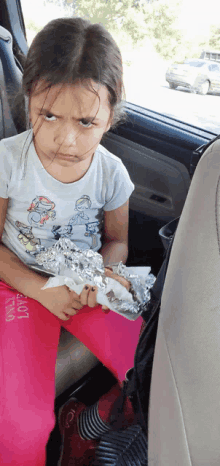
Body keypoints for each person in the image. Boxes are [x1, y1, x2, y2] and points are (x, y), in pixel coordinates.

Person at [0, 17, 143, 465]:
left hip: (84, 283)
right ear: (28, 100)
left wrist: (102, 273)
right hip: (18, 280)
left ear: (111, 113)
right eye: (48, 115)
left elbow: (118, 241)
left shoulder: (111, 172)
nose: (66, 139)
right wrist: (35, 287)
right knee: (21, 429)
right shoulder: (8, 162)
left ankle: (89, 425)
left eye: (86, 121)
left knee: (150, 367)